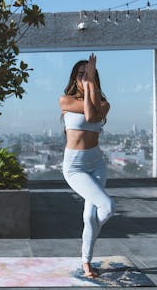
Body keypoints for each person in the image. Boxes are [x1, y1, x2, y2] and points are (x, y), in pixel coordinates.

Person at [58, 53, 115, 278]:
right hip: (75, 166)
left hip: (97, 163)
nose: (83, 78)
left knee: (90, 217)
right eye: (80, 75)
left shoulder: (105, 104)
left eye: (87, 74)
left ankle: (86, 261)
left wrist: (92, 83)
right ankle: (88, 244)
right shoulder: (66, 100)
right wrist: (91, 82)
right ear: (74, 78)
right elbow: (91, 116)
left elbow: (95, 110)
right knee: (108, 207)